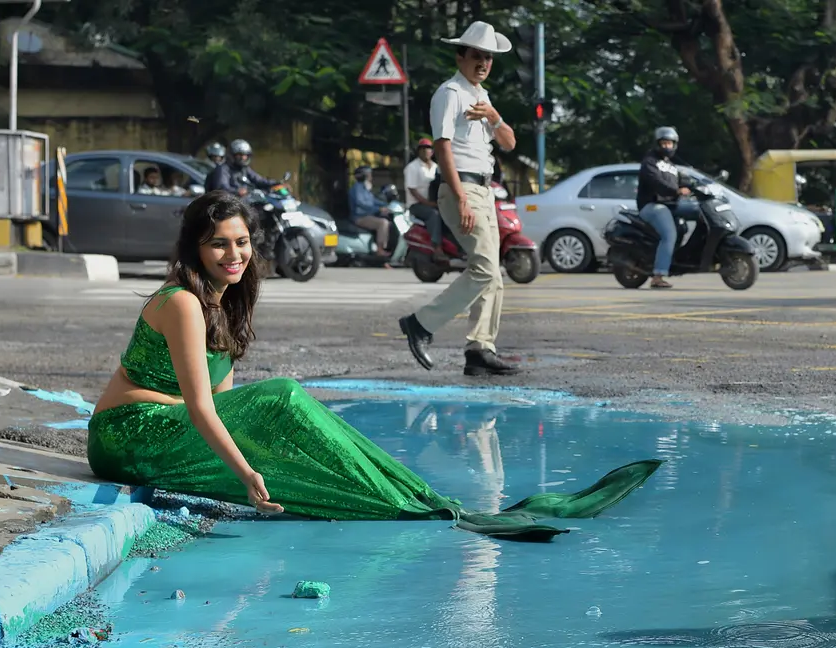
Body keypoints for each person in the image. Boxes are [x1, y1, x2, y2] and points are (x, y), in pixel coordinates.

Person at [85, 190, 661, 540]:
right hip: (125, 437)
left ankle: (413, 497)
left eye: (241, 243)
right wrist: (248, 474)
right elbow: (204, 407)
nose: (234, 255)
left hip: (167, 431)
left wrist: (262, 456)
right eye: (218, 245)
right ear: (193, 250)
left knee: (282, 413)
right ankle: (409, 499)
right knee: (282, 398)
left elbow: (227, 402)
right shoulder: (183, 302)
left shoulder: (224, 300)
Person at [399, 21, 519, 378]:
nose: (483, 63)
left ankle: (480, 348)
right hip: (462, 188)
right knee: (484, 268)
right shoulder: (450, 93)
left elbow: (510, 143)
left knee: (492, 273)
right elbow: (442, 146)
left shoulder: (482, 98)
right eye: (477, 56)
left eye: (488, 58)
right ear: (460, 56)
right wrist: (462, 198)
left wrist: (495, 118)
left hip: (484, 189)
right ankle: (421, 324)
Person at [636, 126, 696, 289]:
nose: (667, 146)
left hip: (670, 205)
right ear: (657, 143)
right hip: (652, 205)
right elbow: (656, 182)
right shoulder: (650, 162)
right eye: (664, 143)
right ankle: (658, 276)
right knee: (669, 234)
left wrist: (691, 185)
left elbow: (682, 178)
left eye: (670, 143)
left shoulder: (670, 164)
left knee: (700, 211)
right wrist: (676, 190)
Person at [404, 138, 445, 261]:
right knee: (434, 215)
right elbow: (413, 190)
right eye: (423, 149)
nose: (426, 151)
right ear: (419, 151)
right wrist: (428, 203)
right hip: (417, 205)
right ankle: (437, 246)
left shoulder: (436, 167)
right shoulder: (412, 167)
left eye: (428, 148)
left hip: (435, 202)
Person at [348, 165, 393, 257]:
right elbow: (363, 204)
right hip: (360, 217)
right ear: (364, 176)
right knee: (383, 223)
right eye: (369, 174)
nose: (371, 176)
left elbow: (373, 201)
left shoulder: (365, 188)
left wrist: (386, 205)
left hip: (367, 215)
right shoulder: (358, 188)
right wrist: (378, 209)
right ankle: (380, 250)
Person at [206, 139, 276, 196]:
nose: (243, 157)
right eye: (240, 154)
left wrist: (277, 183)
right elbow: (221, 188)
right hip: (227, 205)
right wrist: (237, 191)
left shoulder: (244, 168)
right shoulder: (223, 169)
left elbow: (259, 180)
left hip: (243, 202)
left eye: (245, 155)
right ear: (232, 155)